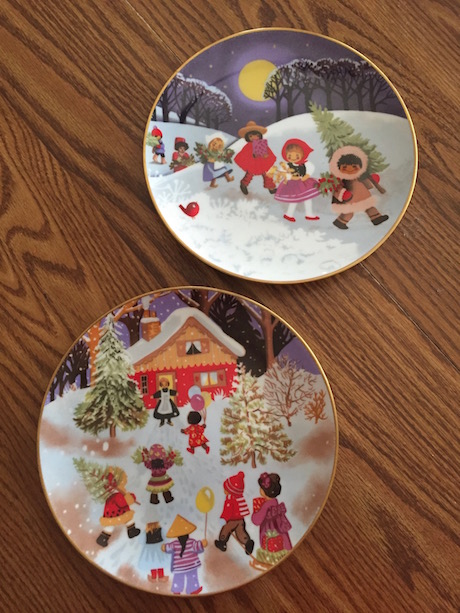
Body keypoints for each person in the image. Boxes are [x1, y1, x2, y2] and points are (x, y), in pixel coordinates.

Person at [329, 145, 388, 229]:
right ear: (339, 168)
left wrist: (373, 180)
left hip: (363, 196)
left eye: (354, 166)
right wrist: (343, 194)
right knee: (349, 212)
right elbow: (337, 189)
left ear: (360, 167)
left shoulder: (359, 177)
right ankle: (340, 222)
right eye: (345, 167)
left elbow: (368, 185)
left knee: (369, 207)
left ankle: (376, 218)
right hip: (350, 198)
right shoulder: (342, 180)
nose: (350, 169)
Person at [274, 138, 321, 222]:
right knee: (294, 200)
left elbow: (311, 168)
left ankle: (309, 214)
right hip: (292, 184)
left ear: (303, 155)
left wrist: (307, 175)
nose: (293, 158)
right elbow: (283, 173)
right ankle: (289, 214)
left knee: (307, 198)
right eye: (289, 156)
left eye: (297, 156)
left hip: (304, 183)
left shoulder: (305, 163)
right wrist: (291, 177)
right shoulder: (286, 165)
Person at [162, 514, 207, 595]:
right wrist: (202, 544)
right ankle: (193, 589)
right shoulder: (192, 542)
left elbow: (168, 547)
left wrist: (164, 547)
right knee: (192, 577)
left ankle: (177, 590)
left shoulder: (175, 544)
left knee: (178, 579)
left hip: (179, 567)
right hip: (192, 565)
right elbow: (197, 546)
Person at [214, 471, 254, 555]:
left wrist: (223, 519)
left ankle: (222, 542)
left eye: (225, 489)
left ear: (230, 491)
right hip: (240, 520)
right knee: (240, 532)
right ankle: (247, 542)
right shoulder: (239, 498)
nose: (224, 491)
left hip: (232, 521)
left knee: (225, 530)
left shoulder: (230, 500)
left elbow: (227, 512)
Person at [251, 472, 292, 552]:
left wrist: (256, 513)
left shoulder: (266, 505)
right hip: (279, 536)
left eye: (261, 488)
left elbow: (256, 520)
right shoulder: (276, 504)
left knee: (270, 545)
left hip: (270, 534)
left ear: (264, 491)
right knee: (282, 539)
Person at [234, 120, 277, 195]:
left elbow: (268, 152)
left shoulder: (262, 144)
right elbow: (243, 154)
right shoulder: (248, 146)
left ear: (259, 136)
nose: (254, 137)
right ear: (247, 137)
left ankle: (271, 188)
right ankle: (243, 184)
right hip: (252, 164)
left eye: (256, 135)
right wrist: (252, 156)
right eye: (251, 136)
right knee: (249, 174)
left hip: (262, 163)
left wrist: (266, 155)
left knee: (267, 175)